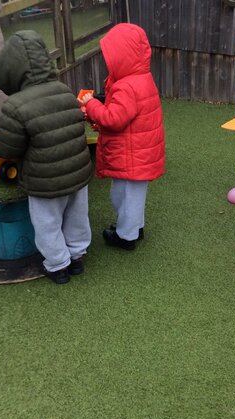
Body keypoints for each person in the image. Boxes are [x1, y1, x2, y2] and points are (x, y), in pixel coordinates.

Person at [0, 30, 93, 285]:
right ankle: (77, 256)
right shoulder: (64, 90)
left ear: (11, 70)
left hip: (45, 181)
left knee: (47, 224)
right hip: (78, 173)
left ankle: (58, 266)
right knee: (76, 217)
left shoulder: (15, 106)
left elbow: (9, 149)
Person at [80, 23, 165, 250]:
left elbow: (113, 119)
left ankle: (125, 237)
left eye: (111, 56)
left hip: (131, 155)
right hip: (139, 152)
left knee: (123, 196)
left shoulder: (126, 86)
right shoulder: (141, 77)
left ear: (123, 56)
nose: (107, 61)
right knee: (133, 196)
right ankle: (135, 228)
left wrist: (91, 105)